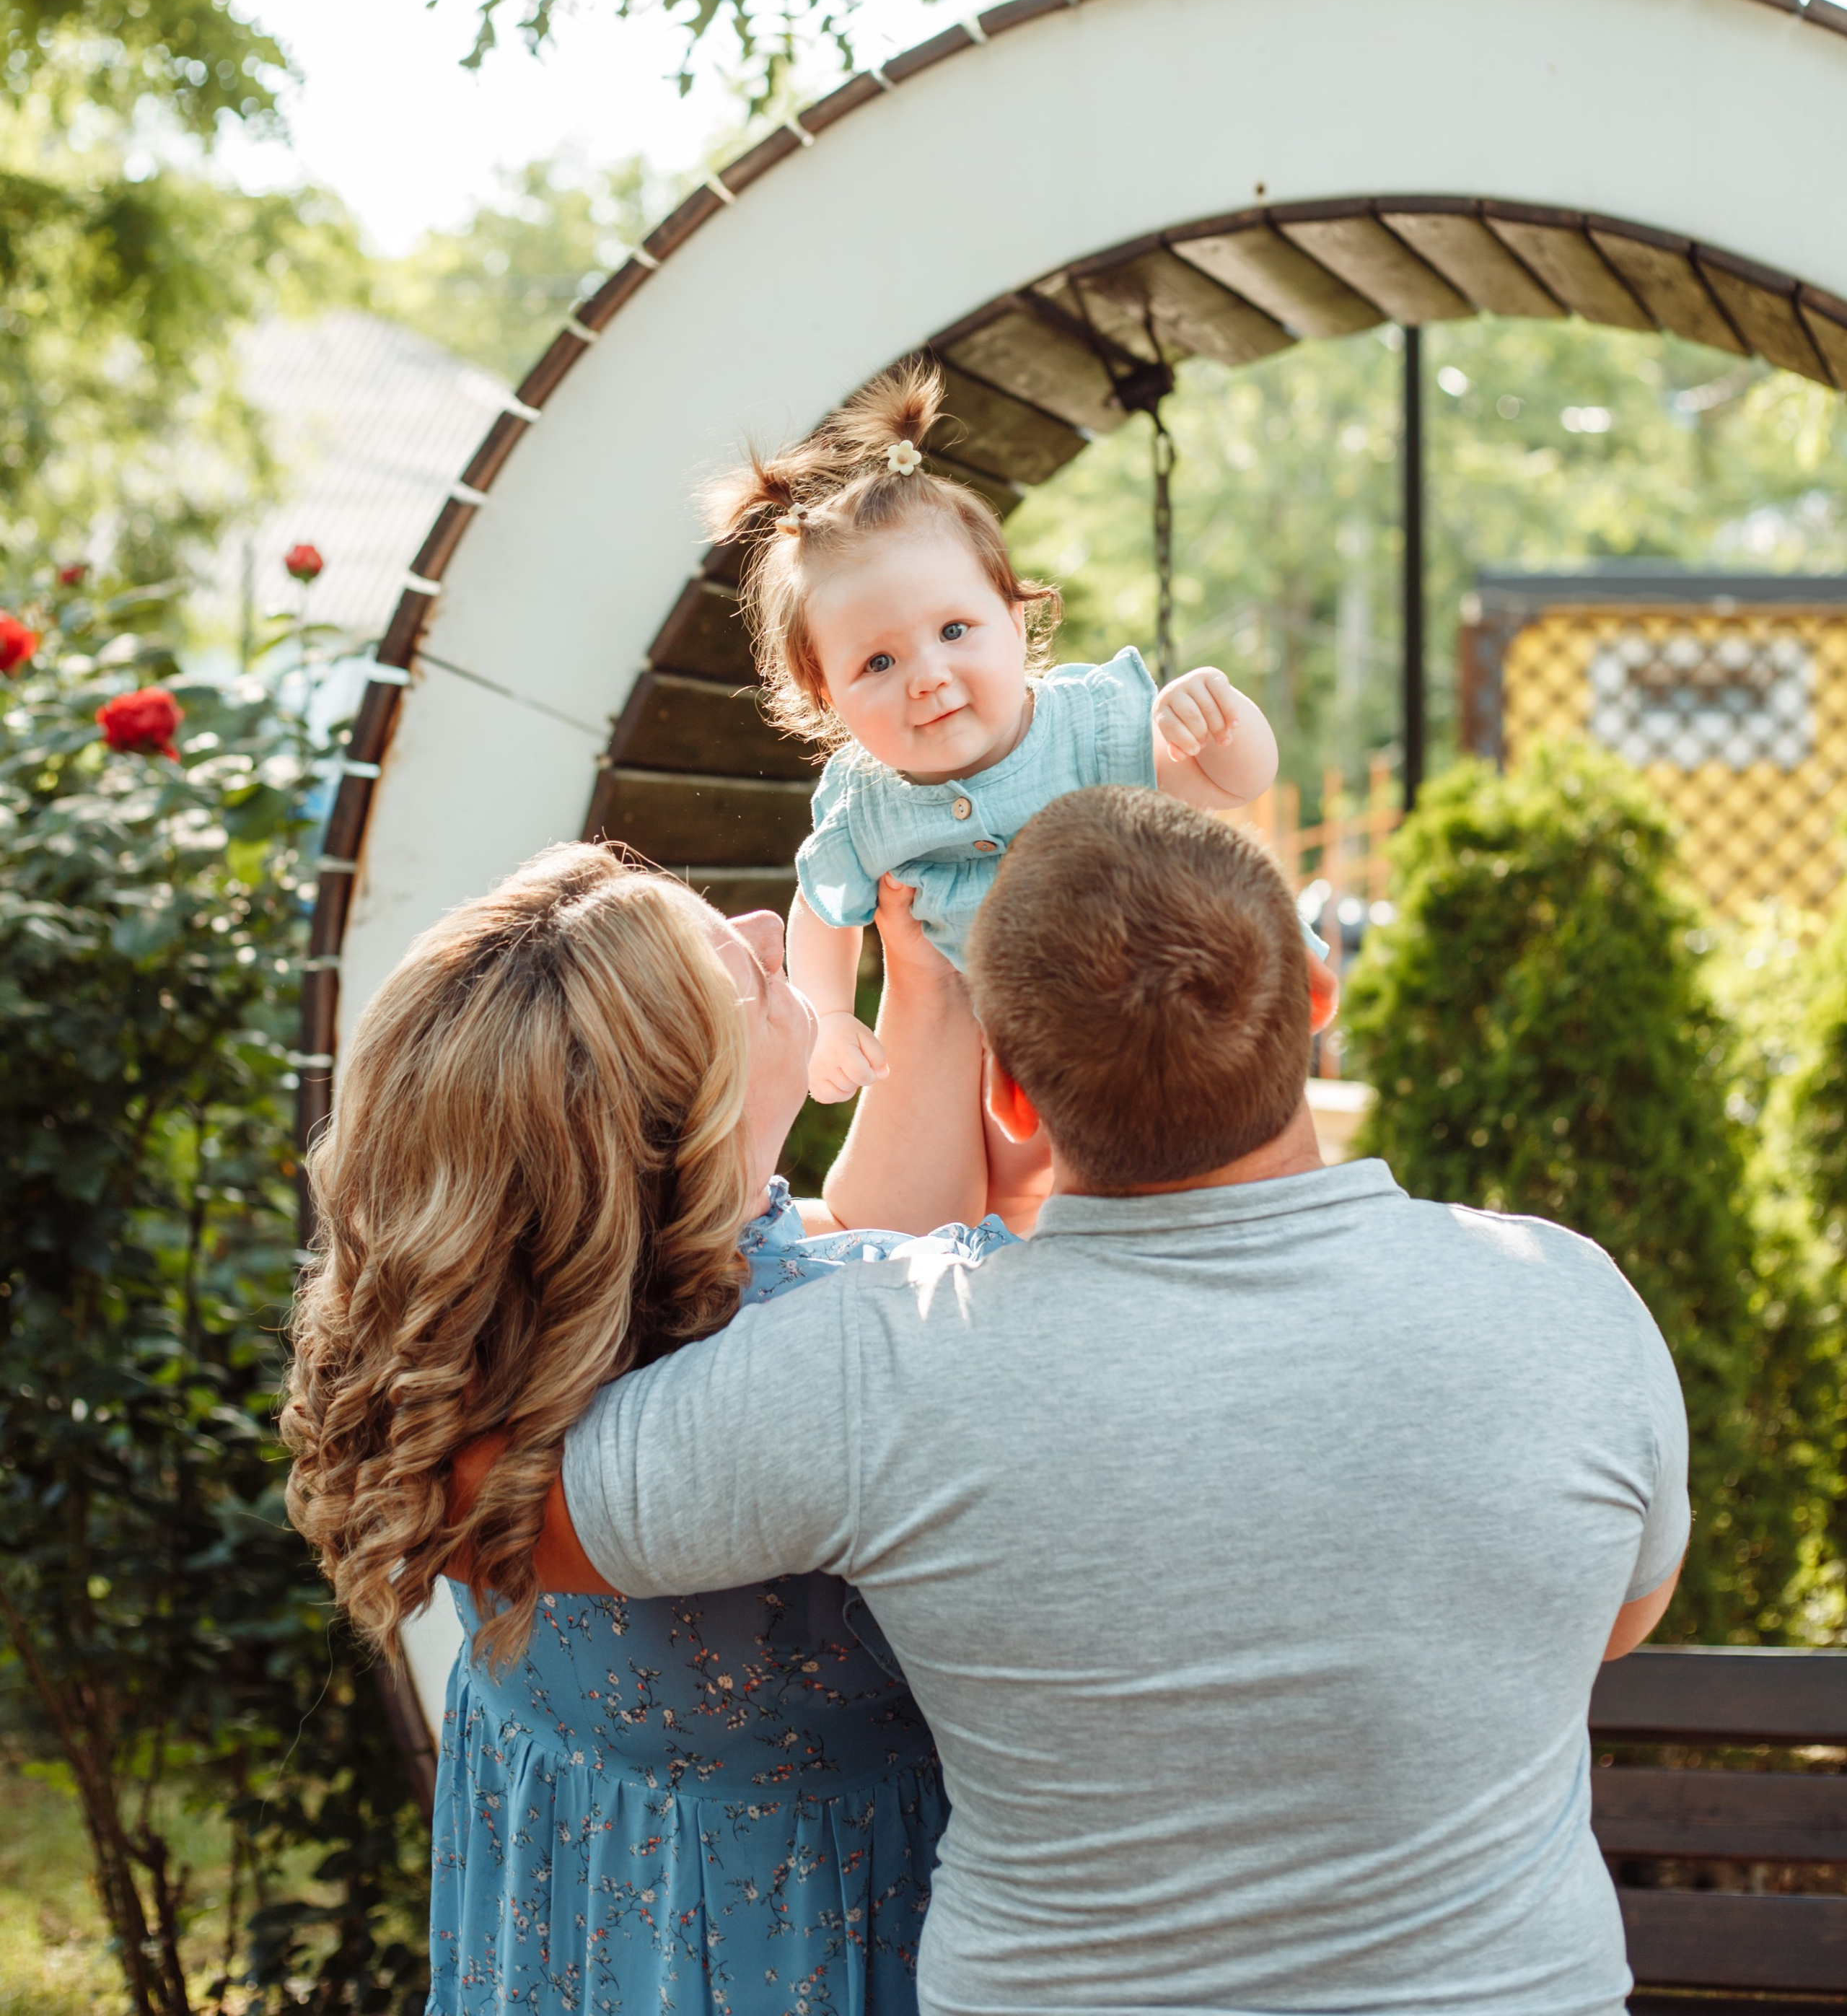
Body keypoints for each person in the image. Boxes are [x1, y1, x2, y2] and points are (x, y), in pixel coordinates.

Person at [562, 787, 1691, 2016]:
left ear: (1007, 1091)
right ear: (1316, 1002)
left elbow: (495, 1516)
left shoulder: (887, 1360)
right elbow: (1618, 1623)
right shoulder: (1566, 1301)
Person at [281, 842, 1009, 2016]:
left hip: (574, 1908)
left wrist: (926, 994)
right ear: (685, 1122)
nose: (774, 928)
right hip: (833, 1931)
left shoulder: (472, 1343)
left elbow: (849, 1237)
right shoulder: (874, 1340)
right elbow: (876, 1277)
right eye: (745, 972)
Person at [703, 362, 1281, 1130]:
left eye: (953, 631)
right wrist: (830, 1017)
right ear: (826, 698)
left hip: (1164, 1023)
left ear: (1015, 622)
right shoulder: (863, 804)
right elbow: (822, 908)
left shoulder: (1092, 729)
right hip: (1007, 1046)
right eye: (878, 663)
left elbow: (1229, 783)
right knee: (1010, 1162)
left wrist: (1222, 720)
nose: (927, 677)